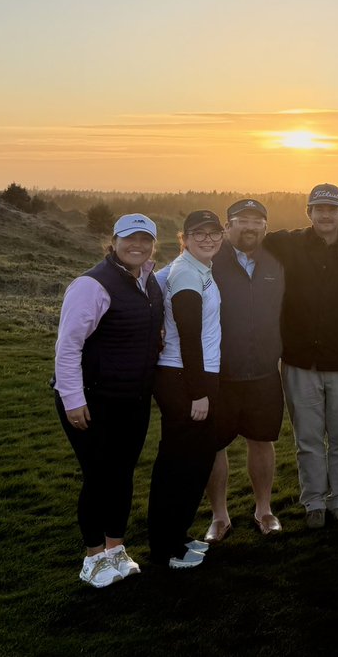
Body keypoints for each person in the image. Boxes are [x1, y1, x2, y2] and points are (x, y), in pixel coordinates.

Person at [54, 213, 164, 587]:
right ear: (113, 241)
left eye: (145, 239)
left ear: (153, 244)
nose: (138, 245)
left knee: (121, 474)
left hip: (131, 398)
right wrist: (72, 399)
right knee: (99, 476)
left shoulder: (148, 282)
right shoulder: (92, 285)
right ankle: (93, 558)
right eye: (129, 238)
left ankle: (116, 549)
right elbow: (68, 346)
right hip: (91, 399)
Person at [263, 184, 338, 530]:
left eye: (332, 209)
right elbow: (244, 240)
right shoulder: (288, 243)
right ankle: (313, 503)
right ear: (308, 213)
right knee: (307, 439)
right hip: (299, 360)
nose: (325, 215)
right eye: (318, 209)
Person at [202, 198, 285, 543]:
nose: (249, 227)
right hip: (220, 374)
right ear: (227, 226)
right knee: (214, 446)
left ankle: (263, 510)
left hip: (265, 371)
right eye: (241, 221)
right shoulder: (207, 261)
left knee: (262, 441)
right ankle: (219, 516)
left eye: (257, 222)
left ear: (265, 227)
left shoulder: (277, 261)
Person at [148, 210, 224, 570]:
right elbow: (190, 338)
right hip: (184, 377)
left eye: (214, 232)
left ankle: (175, 535)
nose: (208, 239)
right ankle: (166, 548)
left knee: (194, 459)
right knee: (180, 464)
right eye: (199, 233)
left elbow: (151, 285)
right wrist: (198, 392)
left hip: (191, 374)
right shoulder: (185, 273)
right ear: (185, 237)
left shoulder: (192, 268)